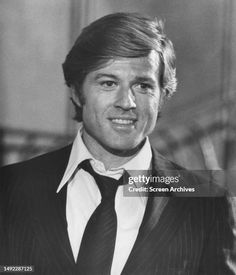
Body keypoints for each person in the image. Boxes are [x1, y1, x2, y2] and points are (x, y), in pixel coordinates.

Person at [0, 12, 236, 275]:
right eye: (109, 83)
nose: (127, 102)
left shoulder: (206, 203)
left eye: (143, 86)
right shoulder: (9, 189)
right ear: (78, 93)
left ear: (162, 96)